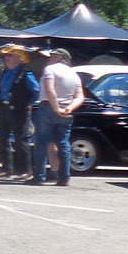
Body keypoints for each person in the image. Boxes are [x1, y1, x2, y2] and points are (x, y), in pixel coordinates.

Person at [32, 47, 86, 186]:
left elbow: (50, 89)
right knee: (63, 144)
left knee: (41, 143)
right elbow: (80, 96)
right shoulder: (74, 74)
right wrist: (69, 108)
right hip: (66, 109)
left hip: (48, 107)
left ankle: (39, 176)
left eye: (52, 56)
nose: (49, 59)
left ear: (61, 57)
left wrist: (56, 108)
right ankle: (64, 177)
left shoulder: (50, 69)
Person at [0, 46, 39, 179]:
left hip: (19, 110)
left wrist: (29, 104)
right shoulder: (3, 72)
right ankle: (7, 169)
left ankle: (26, 170)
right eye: (6, 56)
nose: (6, 58)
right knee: (2, 139)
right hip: (3, 108)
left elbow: (36, 91)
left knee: (21, 140)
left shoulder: (26, 73)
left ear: (20, 58)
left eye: (10, 55)